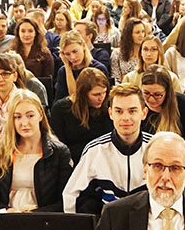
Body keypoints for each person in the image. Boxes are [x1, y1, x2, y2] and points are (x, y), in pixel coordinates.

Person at [62, 83, 150, 214]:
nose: (125, 118)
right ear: (110, 113)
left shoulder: (156, 148)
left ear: (143, 113)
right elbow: (71, 194)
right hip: (108, 225)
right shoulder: (95, 151)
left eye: (132, 111)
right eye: (119, 111)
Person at [0, 88, 73, 213]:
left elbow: (65, 199)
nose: (24, 123)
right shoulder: (0, 151)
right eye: (18, 117)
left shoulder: (59, 152)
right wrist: (6, 211)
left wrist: (35, 214)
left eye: (30, 116)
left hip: (44, 220)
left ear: (40, 115)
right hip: (6, 218)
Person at [50, 68, 113, 164]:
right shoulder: (61, 108)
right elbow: (58, 144)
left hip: (102, 160)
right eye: (96, 94)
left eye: (104, 92)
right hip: (72, 161)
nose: (101, 98)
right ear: (83, 94)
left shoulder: (107, 106)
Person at [140, 68, 185, 148]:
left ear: (167, 92)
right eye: (146, 93)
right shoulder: (138, 104)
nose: (151, 99)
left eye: (157, 94)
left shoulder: (183, 105)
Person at [55, 30, 109, 100]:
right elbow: (59, 100)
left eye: (75, 51)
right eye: (67, 54)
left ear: (83, 46)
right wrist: (67, 67)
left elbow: (76, 98)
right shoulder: (63, 71)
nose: (72, 57)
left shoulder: (98, 69)